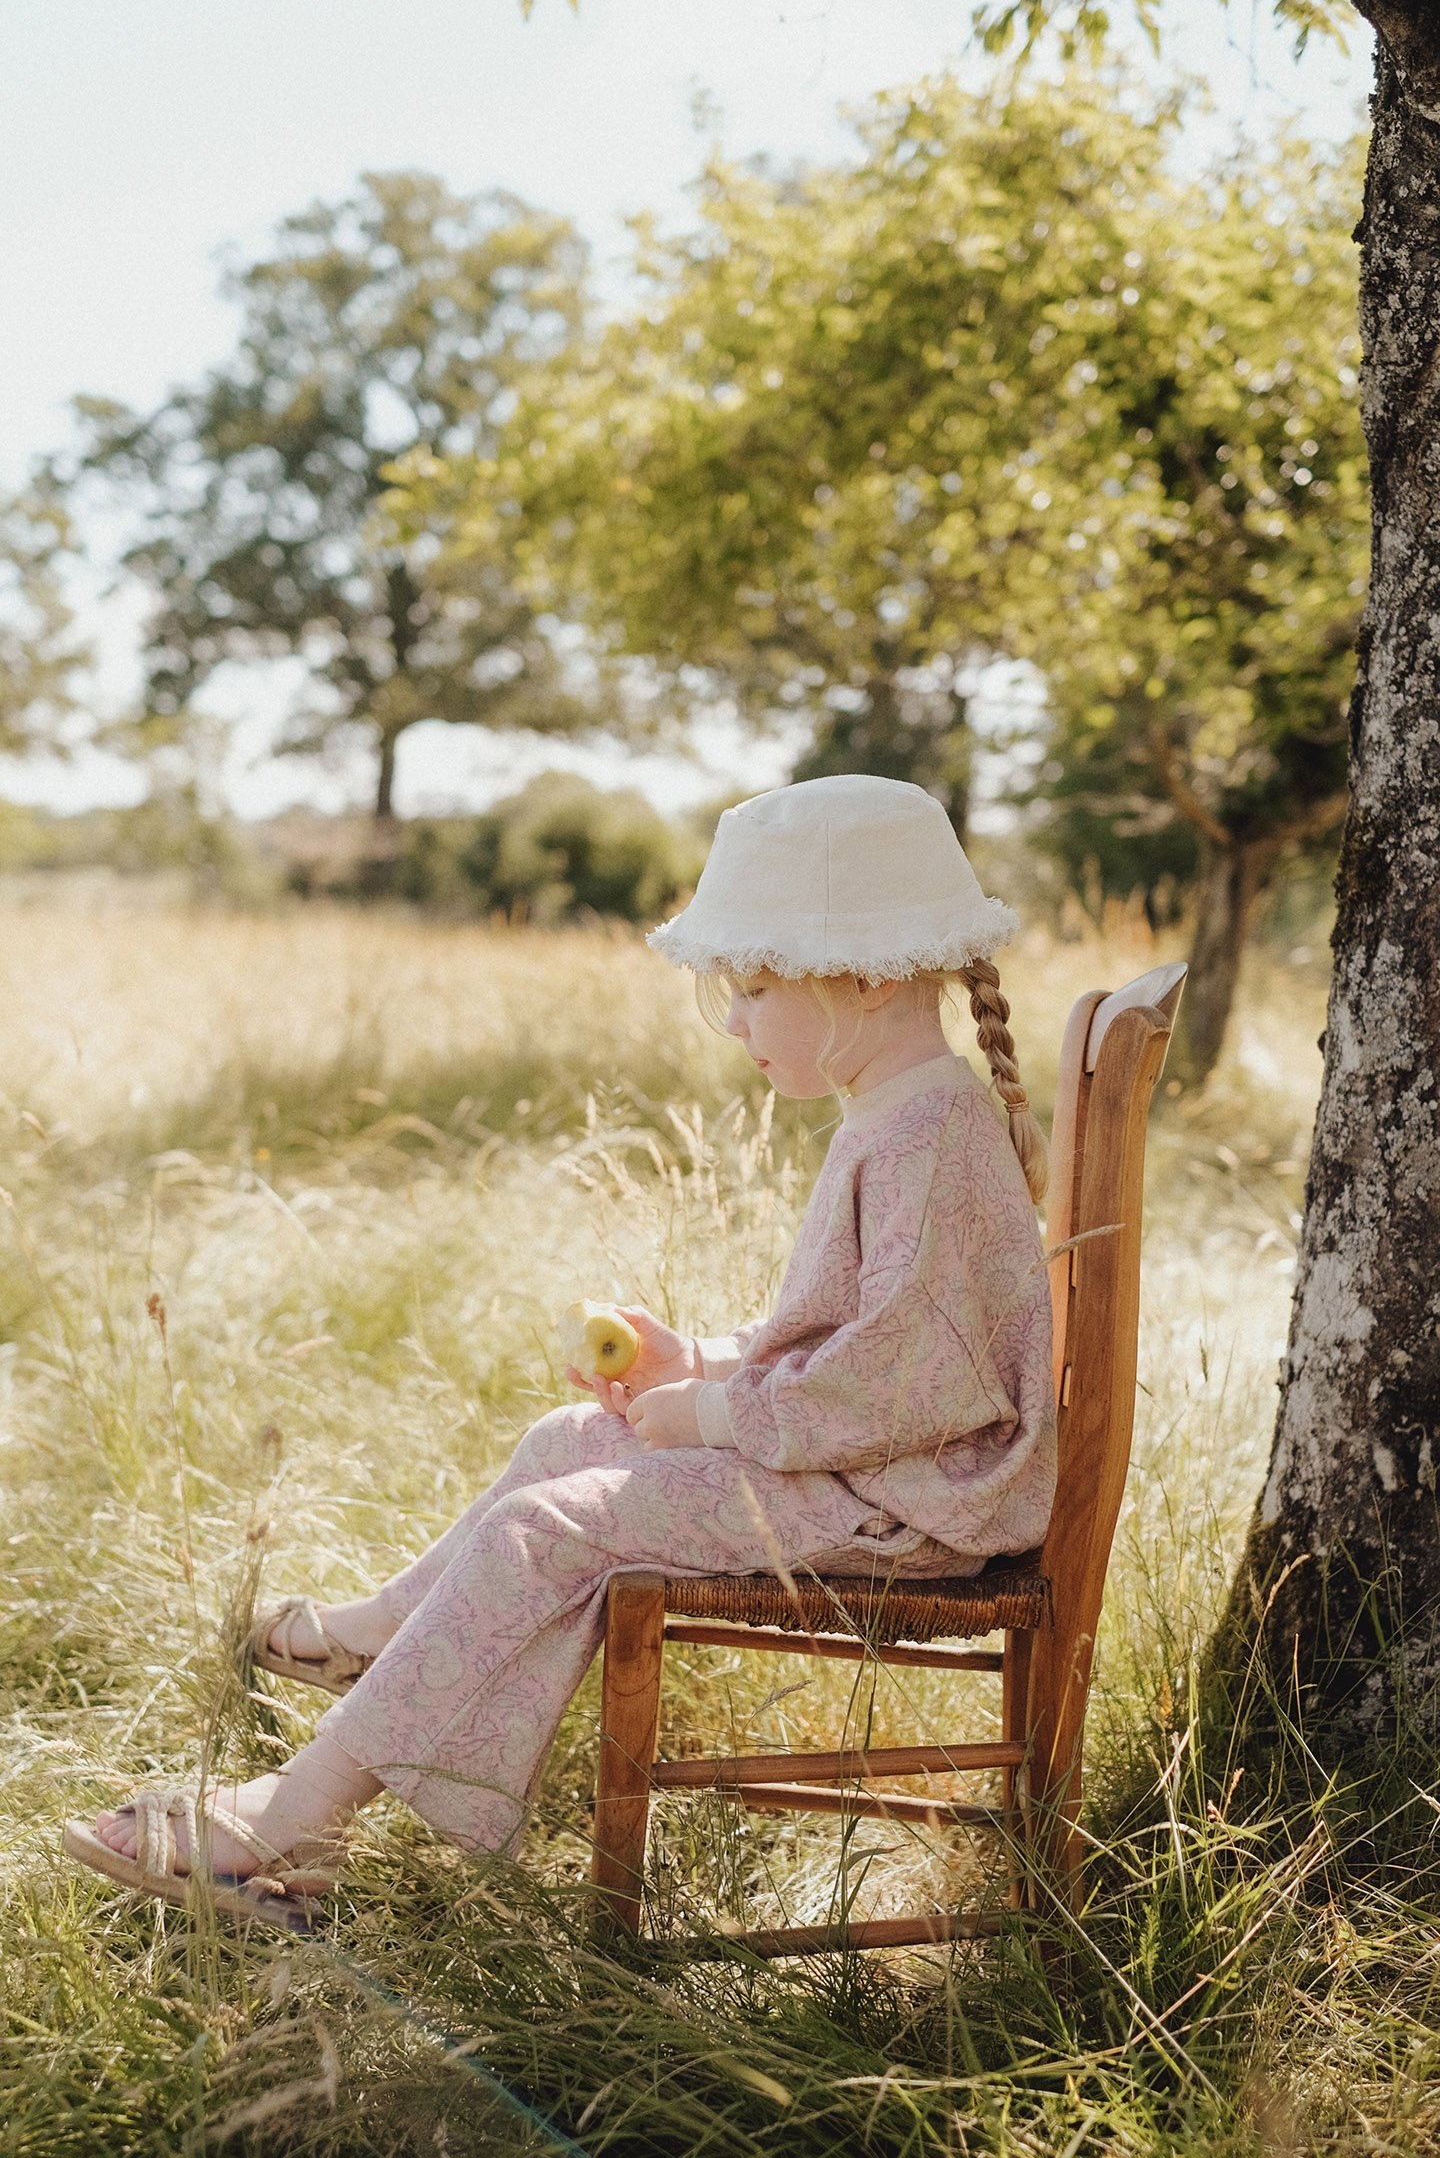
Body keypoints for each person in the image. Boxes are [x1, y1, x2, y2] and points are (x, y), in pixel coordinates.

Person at [64, 774, 1057, 1923]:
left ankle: (292, 1818)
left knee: (549, 1530)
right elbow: (861, 1339)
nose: (735, 1022)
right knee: (568, 1440)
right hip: (877, 1470)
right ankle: (386, 1646)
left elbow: (907, 1379)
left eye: (754, 986)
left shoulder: (928, 1136)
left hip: (911, 1504)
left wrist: (718, 1415)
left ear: (871, 978)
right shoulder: (902, 1113)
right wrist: (702, 1361)